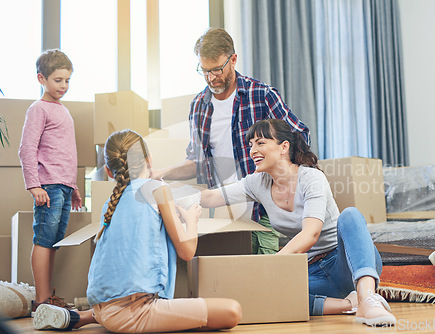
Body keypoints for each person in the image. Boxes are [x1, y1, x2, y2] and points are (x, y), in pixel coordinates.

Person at [32, 129, 242, 332]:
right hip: (135, 312)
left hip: (101, 306)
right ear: (149, 160)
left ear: (108, 170)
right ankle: (100, 318)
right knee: (232, 311)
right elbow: (187, 252)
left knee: (117, 309)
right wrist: (192, 220)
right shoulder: (157, 189)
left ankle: (83, 317)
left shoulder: (109, 203)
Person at [200, 119, 397, 326]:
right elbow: (211, 198)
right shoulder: (257, 183)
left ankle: (367, 298)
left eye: (260, 143)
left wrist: (268, 267)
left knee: (350, 215)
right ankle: (348, 304)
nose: (252, 151)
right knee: (262, 292)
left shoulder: (311, 178)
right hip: (311, 273)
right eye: (251, 145)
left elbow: (310, 234)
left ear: (284, 146)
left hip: (344, 263)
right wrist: (169, 199)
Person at [154, 28, 310, 255]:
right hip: (221, 213)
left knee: (266, 280)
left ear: (233, 60)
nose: (210, 78)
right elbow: (197, 164)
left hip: (262, 211)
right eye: (204, 71)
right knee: (224, 282)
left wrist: (275, 170)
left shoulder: (261, 95)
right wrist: (160, 173)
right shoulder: (199, 106)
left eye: (217, 70)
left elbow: (301, 136)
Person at [18, 49, 82, 313]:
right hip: (48, 187)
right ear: (41, 79)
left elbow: (66, 154)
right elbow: (27, 149)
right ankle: (41, 300)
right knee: (44, 239)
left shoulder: (62, 110)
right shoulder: (38, 109)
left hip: (63, 187)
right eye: (58, 80)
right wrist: (34, 185)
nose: (64, 86)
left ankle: (48, 296)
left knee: (54, 240)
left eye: (67, 80)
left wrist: (74, 187)